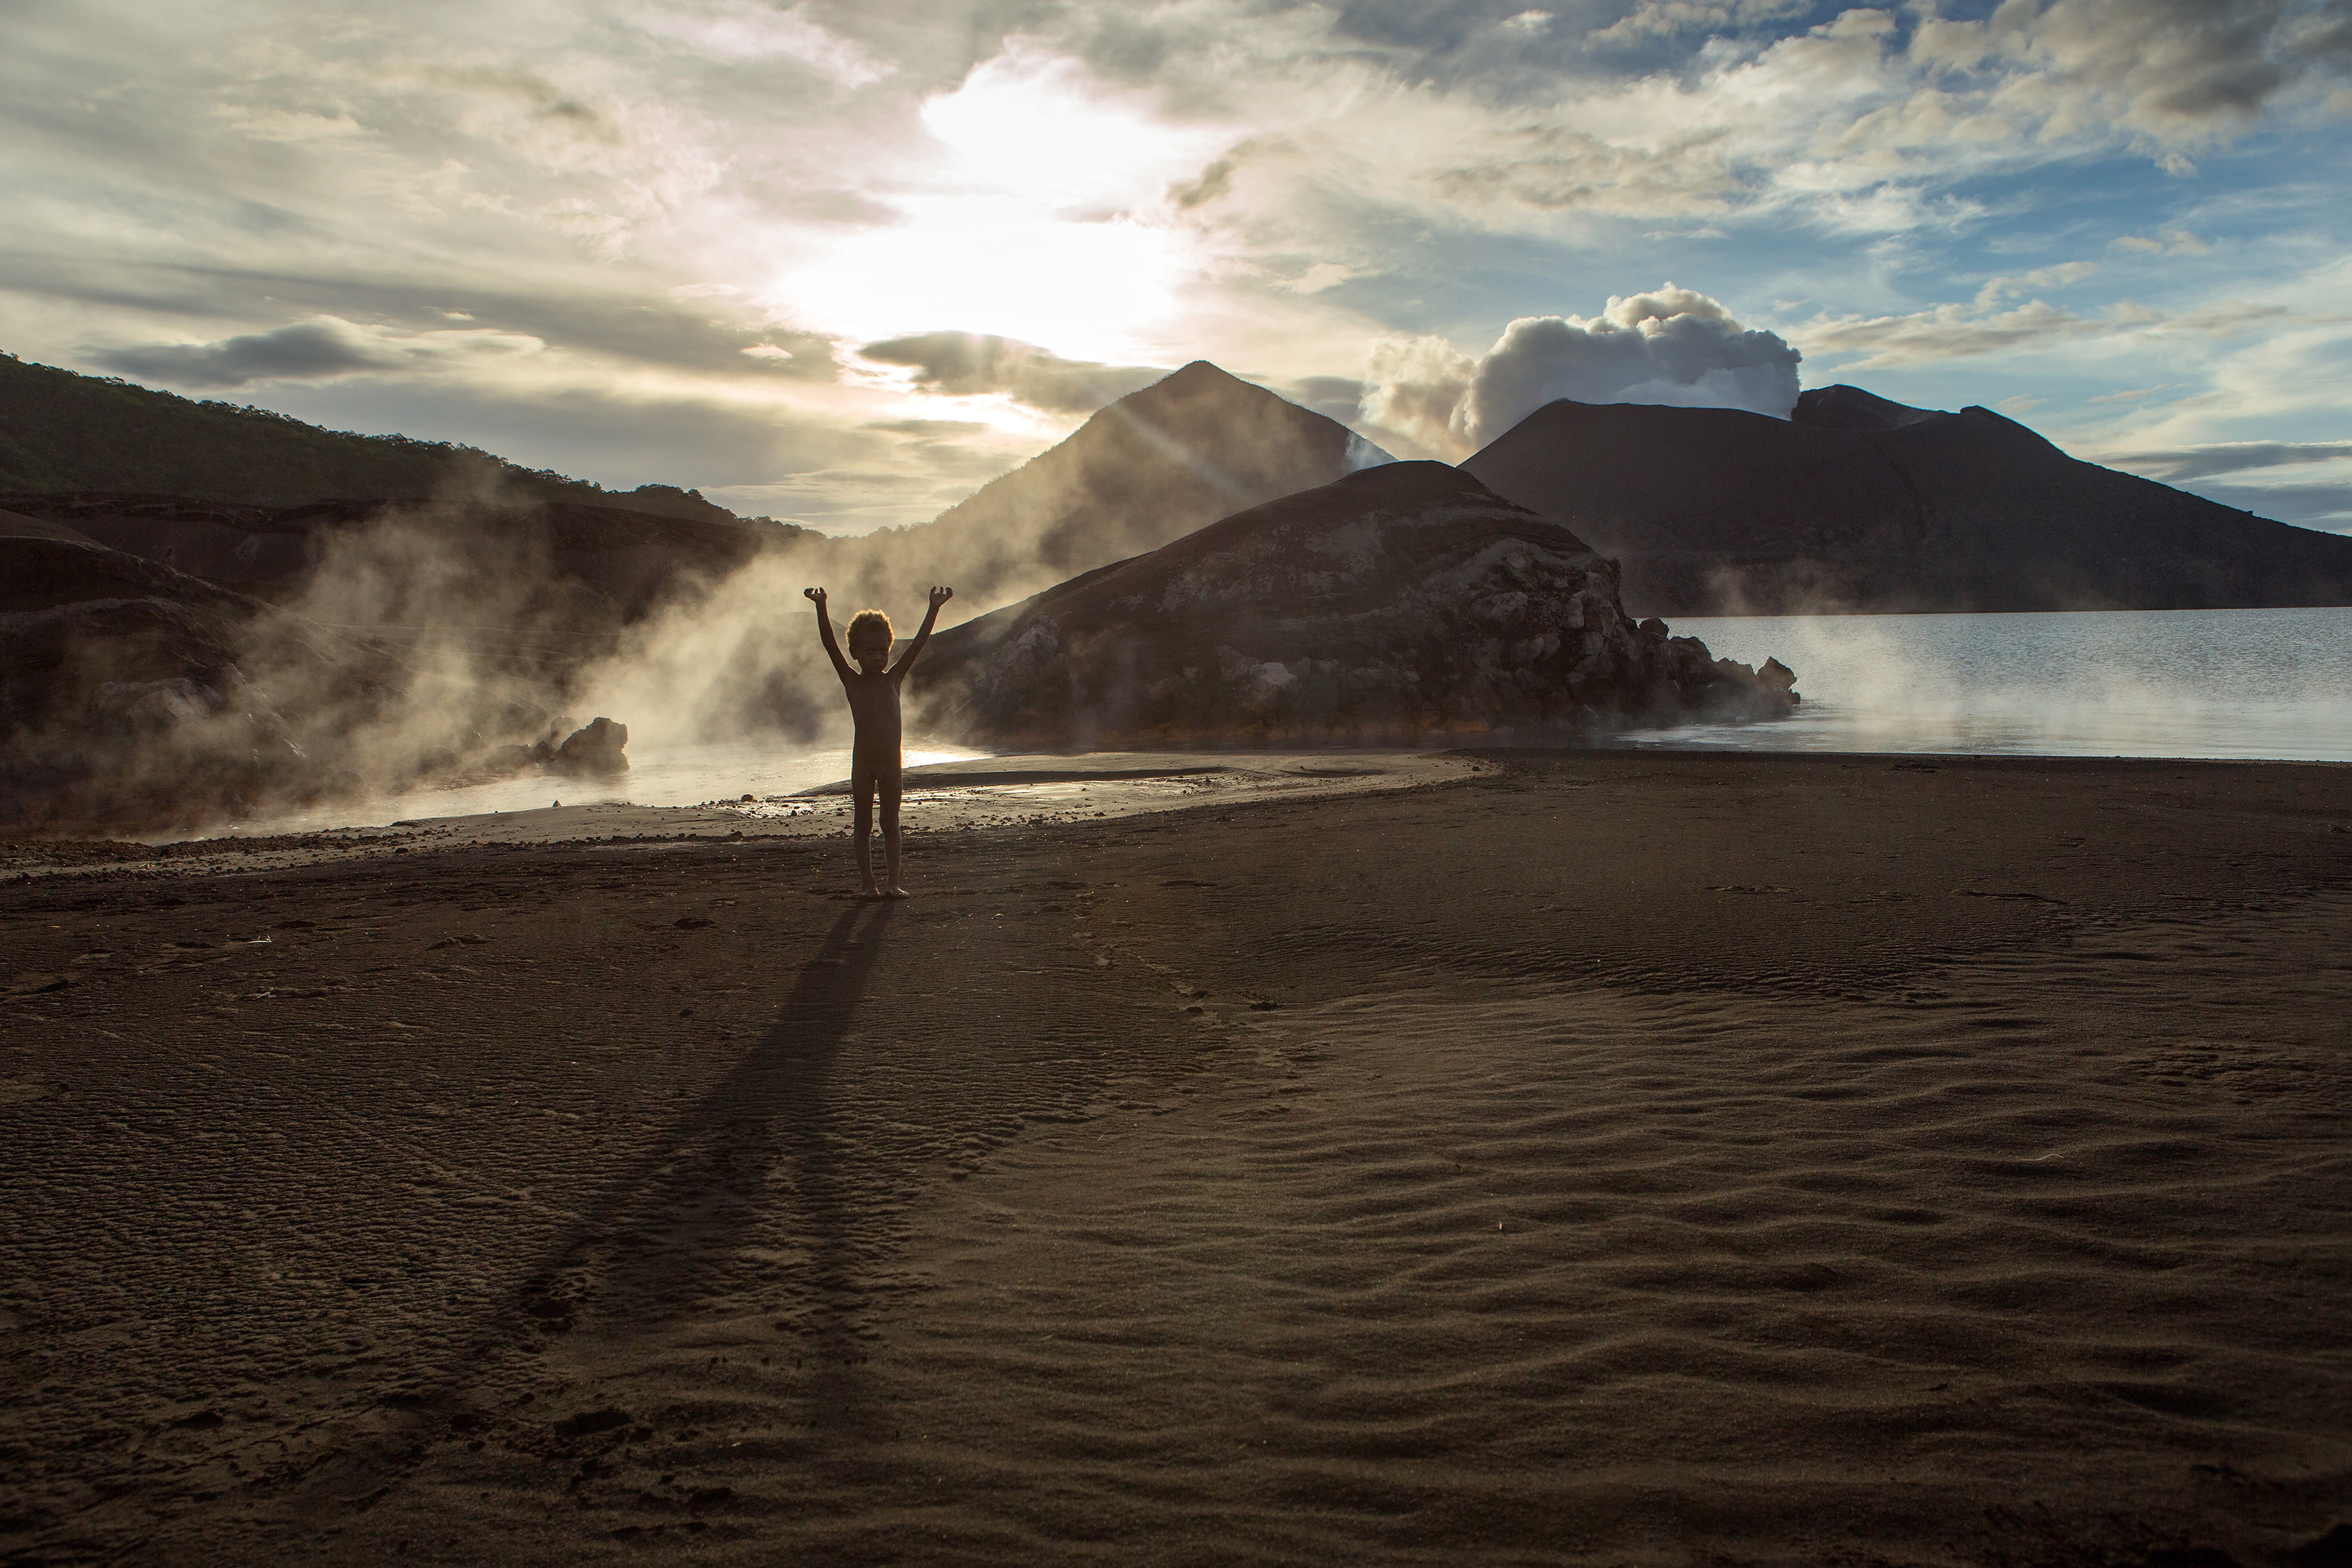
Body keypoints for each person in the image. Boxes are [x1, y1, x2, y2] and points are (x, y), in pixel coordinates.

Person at [805, 584, 952, 898]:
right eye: (868, 651)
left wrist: (934, 609)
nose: (877, 657)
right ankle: (868, 884)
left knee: (891, 823)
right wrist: (821, 607)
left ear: (889, 649)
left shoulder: (894, 680)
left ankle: (893, 883)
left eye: (883, 650)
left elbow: (918, 645)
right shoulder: (852, 682)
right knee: (863, 825)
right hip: (862, 765)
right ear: (855, 653)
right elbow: (831, 646)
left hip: (891, 765)